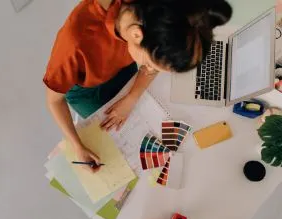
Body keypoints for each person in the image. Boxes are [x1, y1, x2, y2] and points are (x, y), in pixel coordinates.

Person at [43, 0, 232, 172]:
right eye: (150, 65)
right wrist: (77, 145)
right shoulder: (75, 43)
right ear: (136, 34)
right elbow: (54, 101)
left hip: (122, 67)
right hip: (87, 90)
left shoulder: (157, 20)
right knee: (109, 137)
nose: (148, 70)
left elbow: (155, 60)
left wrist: (132, 97)